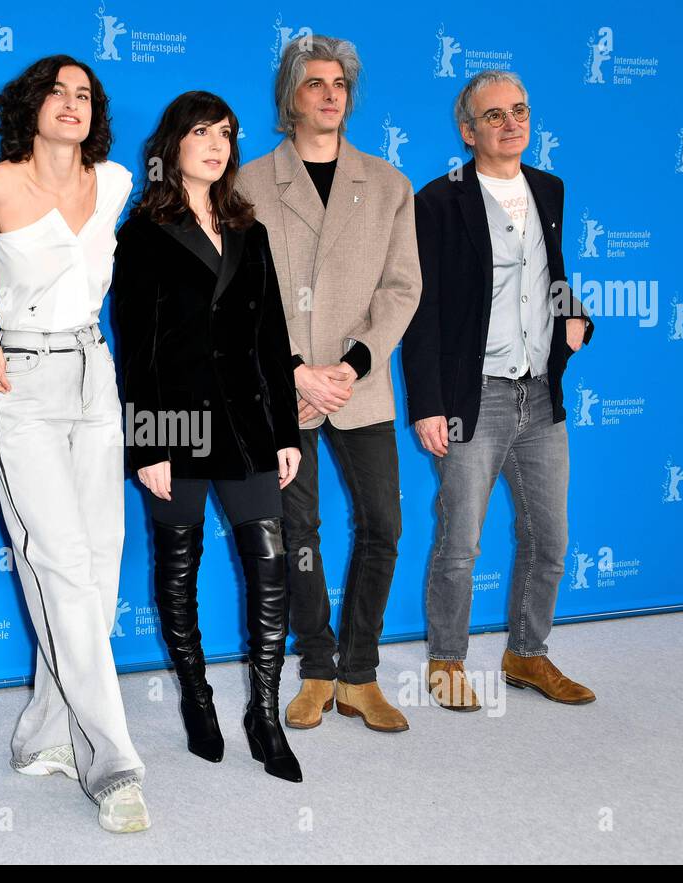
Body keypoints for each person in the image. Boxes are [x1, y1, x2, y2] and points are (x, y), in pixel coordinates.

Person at [0, 55, 149, 833]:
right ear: (30, 106)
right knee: (58, 563)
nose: (72, 104)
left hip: (96, 376)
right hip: (20, 381)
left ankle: (40, 736)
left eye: (84, 95)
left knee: (96, 564)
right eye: (58, 93)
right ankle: (114, 763)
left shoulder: (119, 183)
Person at [115, 91, 304, 783]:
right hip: (177, 424)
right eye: (202, 131)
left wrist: (284, 429)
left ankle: (264, 711)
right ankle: (198, 699)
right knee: (179, 568)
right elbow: (136, 347)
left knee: (272, 568)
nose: (217, 142)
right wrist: (148, 445)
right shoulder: (141, 233)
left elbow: (272, 335)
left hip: (250, 425)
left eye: (225, 132)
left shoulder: (249, 230)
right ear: (174, 143)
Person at [237, 36, 422, 733]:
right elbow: (240, 297)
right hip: (278, 391)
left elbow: (402, 290)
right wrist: (293, 372)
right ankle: (317, 667)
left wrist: (350, 367)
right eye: (315, 82)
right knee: (297, 530)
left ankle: (360, 673)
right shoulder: (249, 185)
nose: (330, 93)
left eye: (340, 82)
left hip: (358, 387)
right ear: (291, 97)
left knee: (384, 524)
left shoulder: (389, 185)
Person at [401, 70, 596, 710]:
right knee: (461, 542)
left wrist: (575, 315)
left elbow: (554, 277)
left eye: (520, 110)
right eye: (494, 115)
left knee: (552, 541)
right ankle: (447, 660)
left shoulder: (549, 189)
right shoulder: (438, 200)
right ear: (467, 130)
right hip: (471, 398)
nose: (511, 123)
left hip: (540, 395)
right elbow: (420, 311)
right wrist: (428, 403)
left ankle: (527, 655)